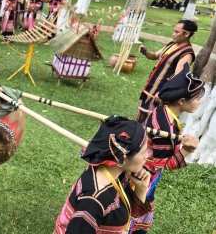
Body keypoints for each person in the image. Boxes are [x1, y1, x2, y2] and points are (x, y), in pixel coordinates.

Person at [132, 63, 203, 234]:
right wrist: (187, 149)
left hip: (137, 168)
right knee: (134, 217)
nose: (199, 102)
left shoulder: (162, 111)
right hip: (141, 176)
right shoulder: (165, 129)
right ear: (181, 101)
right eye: (196, 98)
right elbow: (164, 165)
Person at [53, 116, 153, 233]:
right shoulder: (92, 202)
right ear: (123, 157)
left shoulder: (117, 173)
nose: (147, 156)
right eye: (143, 152)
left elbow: (132, 214)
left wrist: (141, 188)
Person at [135, 20, 197, 123]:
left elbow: (178, 77)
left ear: (186, 34)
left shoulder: (187, 54)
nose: (173, 34)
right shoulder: (171, 44)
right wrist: (145, 52)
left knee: (151, 123)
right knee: (139, 118)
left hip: (159, 94)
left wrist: (161, 92)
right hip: (150, 89)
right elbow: (155, 55)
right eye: (174, 31)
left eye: (177, 32)